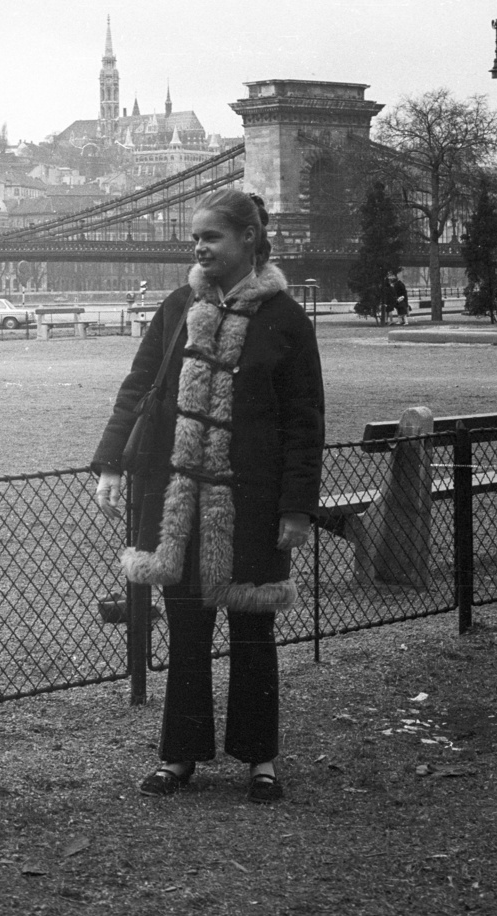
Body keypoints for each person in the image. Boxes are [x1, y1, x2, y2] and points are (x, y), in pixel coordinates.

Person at [91, 188, 325, 804]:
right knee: (188, 634)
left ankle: (261, 759)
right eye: (195, 237)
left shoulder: (286, 320)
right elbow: (137, 387)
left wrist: (298, 507)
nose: (198, 246)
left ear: (248, 239)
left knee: (253, 635)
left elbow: (306, 422)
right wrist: (111, 465)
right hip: (176, 506)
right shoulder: (175, 307)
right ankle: (178, 756)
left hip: (252, 505)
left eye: (211, 236)